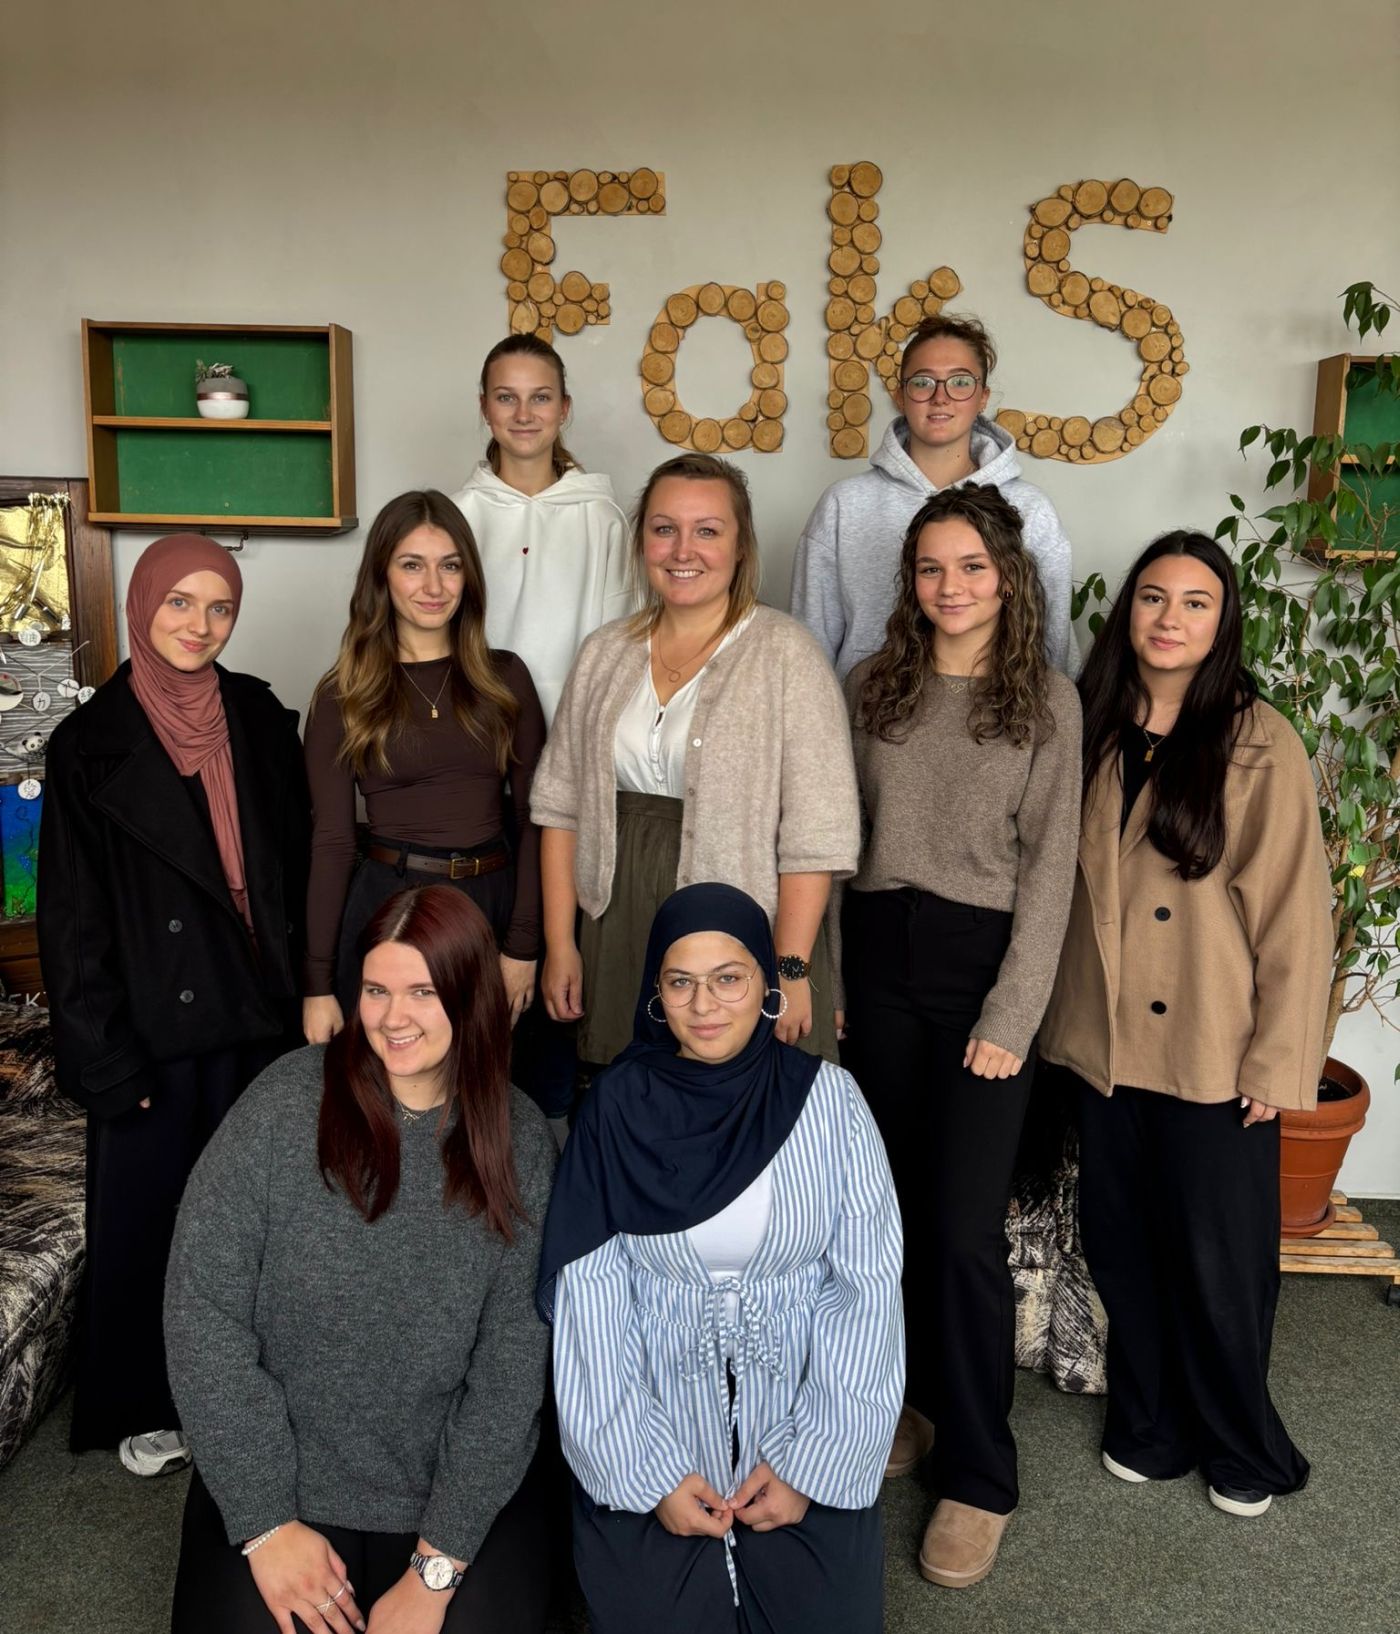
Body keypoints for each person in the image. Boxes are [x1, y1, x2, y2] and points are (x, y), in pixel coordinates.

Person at [164, 885, 558, 1634]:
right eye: (377, 990)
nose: (392, 1017)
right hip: (287, 1477)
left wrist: (438, 1568)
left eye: (422, 992)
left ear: (472, 995)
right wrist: (265, 1522)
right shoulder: (282, 1103)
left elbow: (512, 1370)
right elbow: (201, 1309)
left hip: (450, 1485)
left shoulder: (522, 1141)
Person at [1040, 531, 1332, 1519]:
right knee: (1121, 1244)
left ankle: (1239, 1442)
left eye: (1195, 601)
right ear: (1127, 610)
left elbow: (1295, 913)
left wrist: (1278, 1062)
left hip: (1212, 1045)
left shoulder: (1258, 739)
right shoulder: (1085, 722)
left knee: (1220, 1261)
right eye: (1153, 597)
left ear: (1222, 621)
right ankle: (1149, 1422)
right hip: (1104, 1043)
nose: (1169, 617)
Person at [832, 483, 1080, 1588]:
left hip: (983, 969)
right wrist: (832, 976)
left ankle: (980, 1473)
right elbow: (836, 836)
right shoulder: (871, 685)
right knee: (881, 1213)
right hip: (877, 958)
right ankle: (910, 1404)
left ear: (1008, 577)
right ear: (909, 580)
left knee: (963, 1227)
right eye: (931, 568)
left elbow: (1052, 870)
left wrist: (1010, 1015)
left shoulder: (1048, 703)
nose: (951, 586)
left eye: (971, 567)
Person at [540, 882, 903, 1634]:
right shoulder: (614, 1110)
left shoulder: (832, 1104)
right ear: (656, 994)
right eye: (681, 982)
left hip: (801, 1418)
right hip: (656, 1425)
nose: (704, 1004)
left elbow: (867, 1292)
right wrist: (650, 1474)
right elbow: (591, 1307)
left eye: (728, 978)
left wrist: (810, 1466)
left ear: (767, 982)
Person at [38, 533, 309, 1471]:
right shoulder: (86, 745)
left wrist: (313, 992)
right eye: (179, 603)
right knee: (155, 1225)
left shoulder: (261, 716)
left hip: (261, 1012)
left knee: (263, 1222)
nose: (200, 624)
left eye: (219, 606)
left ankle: (265, 1391)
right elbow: (71, 922)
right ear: (142, 605)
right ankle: (155, 1402)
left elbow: (297, 871)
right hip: (155, 1028)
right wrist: (104, 1057)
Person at [532, 453, 859, 1069]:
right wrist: (560, 945)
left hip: (749, 926)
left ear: (741, 546)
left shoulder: (787, 654)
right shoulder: (604, 652)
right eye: (665, 529)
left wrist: (790, 970)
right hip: (618, 917)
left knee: (746, 1096)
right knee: (637, 1093)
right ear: (642, 542)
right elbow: (559, 808)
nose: (684, 549)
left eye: (707, 530)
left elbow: (816, 837)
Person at [302, 490, 546, 1056]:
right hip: (389, 907)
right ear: (381, 576)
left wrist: (524, 944)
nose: (434, 586)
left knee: (490, 1083)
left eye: (450, 566)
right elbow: (332, 842)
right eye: (412, 565)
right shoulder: (343, 694)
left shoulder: (506, 678)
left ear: (469, 577)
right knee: (390, 1084)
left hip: (491, 903)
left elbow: (535, 818)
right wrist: (317, 985)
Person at [789, 312, 1074, 679]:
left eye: (960, 382)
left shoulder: (1031, 510)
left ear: (983, 397)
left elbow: (1053, 645)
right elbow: (808, 647)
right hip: (864, 710)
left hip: (999, 711)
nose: (940, 397)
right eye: (923, 382)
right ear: (900, 396)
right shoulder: (843, 505)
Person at [448, 333, 634, 728]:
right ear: (484, 407)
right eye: (506, 397)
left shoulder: (602, 518)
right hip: (475, 732)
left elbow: (621, 646)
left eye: (540, 397)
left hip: (575, 734)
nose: (523, 414)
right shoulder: (456, 517)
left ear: (564, 408)